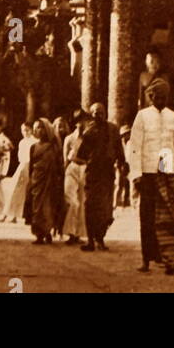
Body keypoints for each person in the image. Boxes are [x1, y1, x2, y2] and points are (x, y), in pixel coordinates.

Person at [128, 77, 174, 274]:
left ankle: (164, 255)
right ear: (150, 96)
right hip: (147, 173)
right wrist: (136, 175)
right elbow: (134, 147)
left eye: (163, 96)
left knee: (167, 217)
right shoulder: (142, 116)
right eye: (156, 96)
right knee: (147, 217)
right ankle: (146, 258)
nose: (160, 99)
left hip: (166, 170)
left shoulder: (173, 117)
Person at [75, 102, 125, 252]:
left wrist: (122, 162)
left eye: (101, 112)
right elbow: (80, 155)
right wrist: (91, 160)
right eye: (95, 112)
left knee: (105, 209)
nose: (98, 115)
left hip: (107, 174)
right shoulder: (88, 132)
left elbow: (119, 149)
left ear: (106, 113)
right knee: (90, 206)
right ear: (91, 114)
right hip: (93, 174)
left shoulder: (113, 130)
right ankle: (90, 240)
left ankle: (100, 239)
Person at [26, 118, 64, 244]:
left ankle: (47, 231)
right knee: (36, 207)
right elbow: (31, 165)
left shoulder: (53, 147)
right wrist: (30, 181)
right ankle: (38, 234)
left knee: (48, 207)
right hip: (37, 180)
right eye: (36, 128)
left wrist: (59, 178)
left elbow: (59, 163)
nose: (39, 130)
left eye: (41, 127)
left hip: (50, 180)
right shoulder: (33, 147)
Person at [62, 110, 88, 244]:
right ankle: (71, 232)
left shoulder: (89, 138)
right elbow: (65, 158)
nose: (81, 123)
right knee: (72, 200)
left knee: (82, 201)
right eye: (78, 121)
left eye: (83, 120)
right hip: (72, 168)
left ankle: (78, 233)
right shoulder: (69, 139)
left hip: (84, 169)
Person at [4, 121, 36, 222]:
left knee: (25, 192)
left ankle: (22, 215)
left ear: (31, 130)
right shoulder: (22, 142)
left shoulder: (34, 142)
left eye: (27, 130)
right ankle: (10, 214)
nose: (25, 132)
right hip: (22, 166)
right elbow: (20, 157)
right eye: (23, 130)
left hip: (30, 166)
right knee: (14, 190)